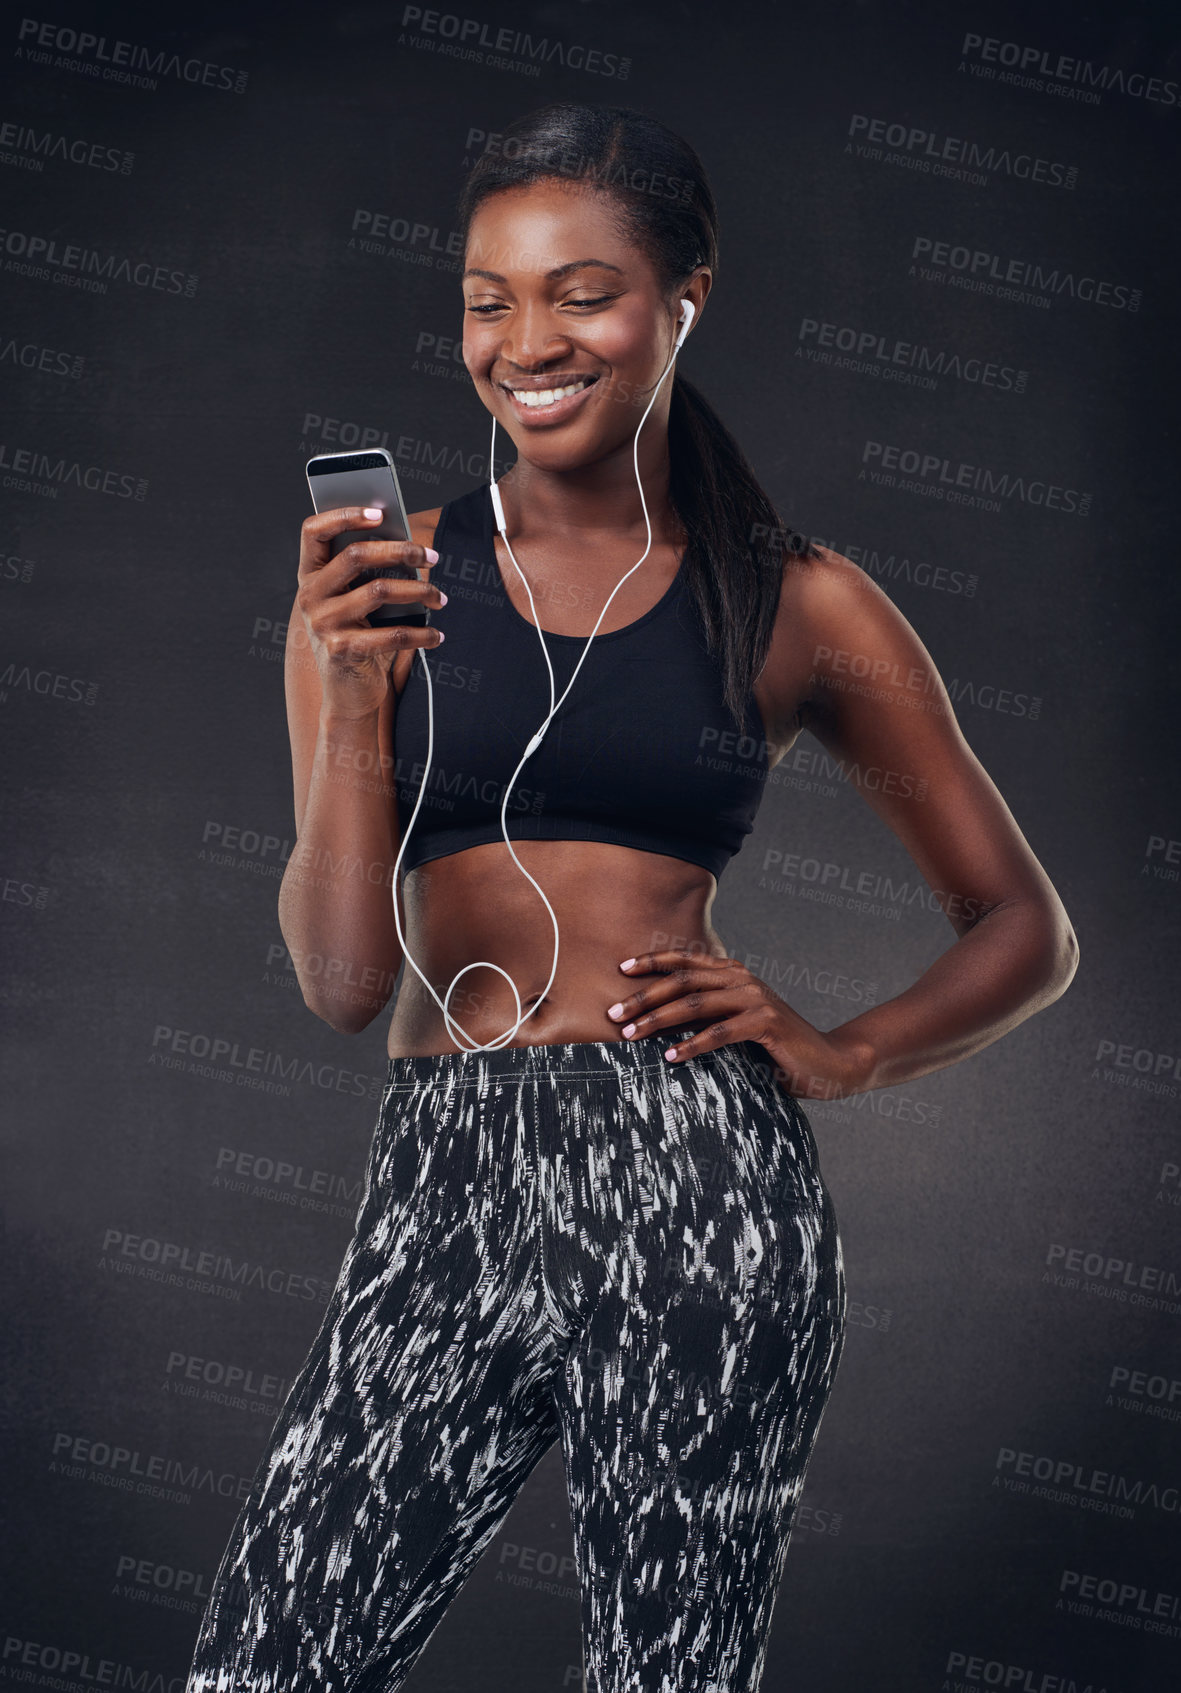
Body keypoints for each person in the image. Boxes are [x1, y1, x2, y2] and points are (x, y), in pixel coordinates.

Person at [186, 101, 1078, 1693]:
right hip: (442, 1176)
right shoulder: (373, 594)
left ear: (683, 300)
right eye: (487, 298)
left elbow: (1021, 923)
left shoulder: (796, 597)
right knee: (269, 1661)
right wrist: (347, 692)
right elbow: (334, 978)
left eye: (580, 292)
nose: (526, 339)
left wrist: (843, 1049)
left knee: (670, 1673)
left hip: (695, 1185)